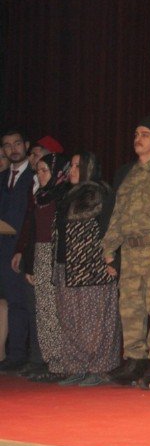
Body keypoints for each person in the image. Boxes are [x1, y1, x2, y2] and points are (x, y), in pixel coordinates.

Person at [102, 115, 150, 388]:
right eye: (136, 134)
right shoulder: (125, 173)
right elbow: (117, 213)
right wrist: (109, 249)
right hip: (129, 251)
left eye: (145, 134)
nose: (138, 139)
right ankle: (133, 359)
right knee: (129, 307)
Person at [52, 153, 121, 383]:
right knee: (70, 319)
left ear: (89, 168)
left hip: (93, 267)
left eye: (77, 166)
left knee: (96, 321)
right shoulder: (68, 194)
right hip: (66, 266)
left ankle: (98, 369)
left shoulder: (101, 192)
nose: (71, 170)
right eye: (71, 165)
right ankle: (77, 366)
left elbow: (109, 228)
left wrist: (111, 260)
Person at [15, 152, 69, 382]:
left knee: (58, 310)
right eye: (39, 170)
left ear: (58, 173)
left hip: (57, 255)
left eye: (46, 170)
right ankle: (50, 361)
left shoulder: (65, 196)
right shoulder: (40, 195)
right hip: (40, 253)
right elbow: (33, 230)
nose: (41, 174)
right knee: (44, 309)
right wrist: (30, 264)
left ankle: (63, 362)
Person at [0, 128, 39, 372]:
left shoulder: (35, 176)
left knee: (24, 302)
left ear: (26, 145)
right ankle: (14, 354)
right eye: (7, 145)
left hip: (22, 249)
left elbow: (29, 219)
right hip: (2, 249)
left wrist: (25, 250)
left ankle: (23, 355)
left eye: (17, 144)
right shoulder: (2, 178)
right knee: (12, 303)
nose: (13, 149)